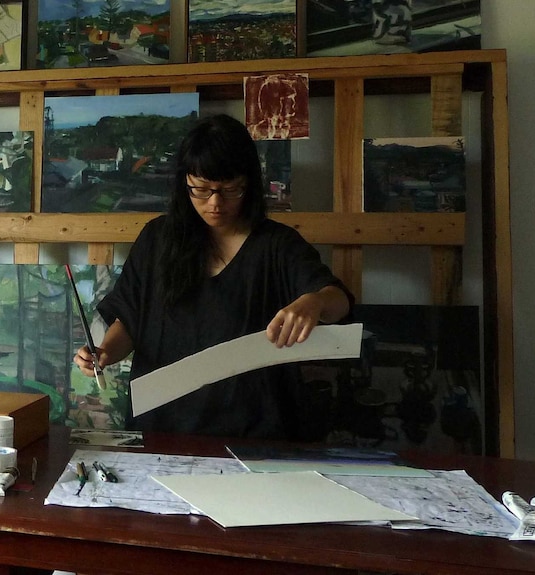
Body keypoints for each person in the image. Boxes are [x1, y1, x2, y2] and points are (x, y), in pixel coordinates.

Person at [73, 114, 353, 440]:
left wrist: (314, 302)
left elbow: (340, 301)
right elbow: (131, 321)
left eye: (230, 189)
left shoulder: (277, 245)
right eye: (201, 190)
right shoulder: (157, 240)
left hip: (257, 431)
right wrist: (105, 352)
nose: (215, 203)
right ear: (184, 184)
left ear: (249, 183)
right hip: (164, 425)